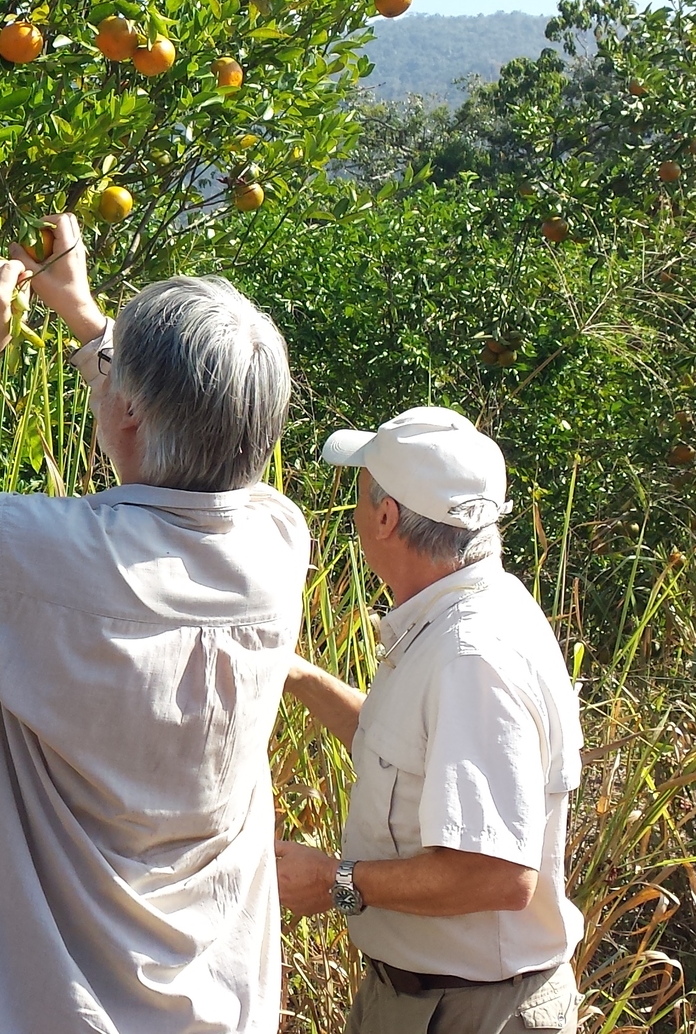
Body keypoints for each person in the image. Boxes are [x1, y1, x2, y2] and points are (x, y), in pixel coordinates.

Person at [0, 214, 311, 1034]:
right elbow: (168, 436)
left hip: (38, 1003)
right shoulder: (276, 543)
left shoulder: (46, 556)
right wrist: (85, 317)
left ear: (126, 412)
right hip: (217, 1005)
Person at [273, 407, 584, 1034]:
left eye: (362, 498)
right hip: (427, 1001)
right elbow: (412, 755)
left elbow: (497, 873)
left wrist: (334, 882)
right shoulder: (459, 616)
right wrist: (295, 674)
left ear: (386, 518)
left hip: (476, 1012)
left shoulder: (473, 657)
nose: (356, 516)